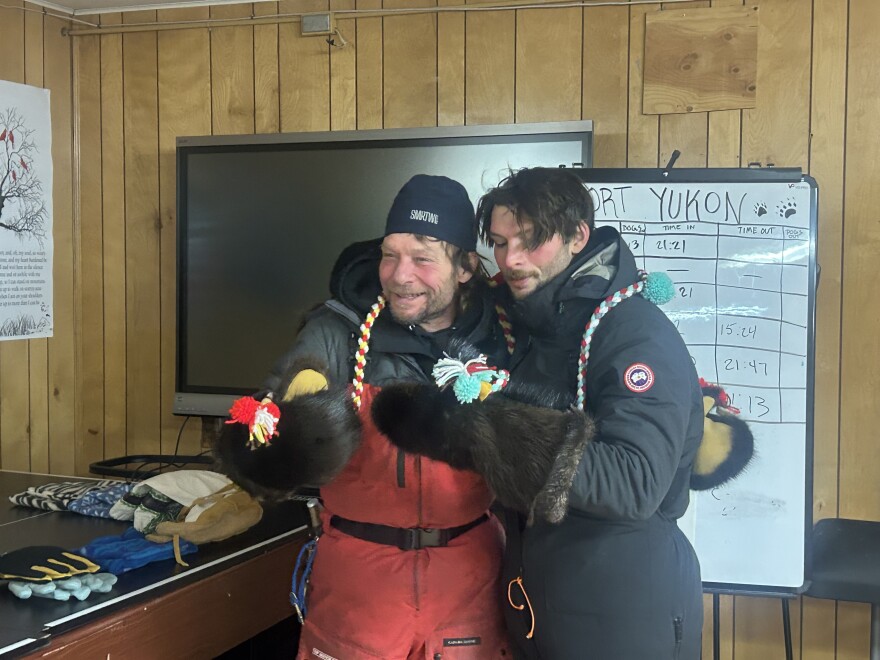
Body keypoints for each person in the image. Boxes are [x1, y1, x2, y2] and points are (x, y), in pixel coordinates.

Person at [226, 175, 512, 660]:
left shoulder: (502, 334)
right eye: (390, 254)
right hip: (357, 592)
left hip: (469, 586)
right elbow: (253, 433)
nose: (401, 275)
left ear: (465, 266)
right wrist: (280, 427)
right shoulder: (335, 333)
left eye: (422, 259)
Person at [475, 167, 704, 659]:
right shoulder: (535, 322)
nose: (511, 259)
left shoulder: (633, 332)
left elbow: (635, 479)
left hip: (622, 615)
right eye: (498, 243)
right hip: (541, 608)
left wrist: (493, 434)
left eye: (530, 241)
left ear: (578, 235)